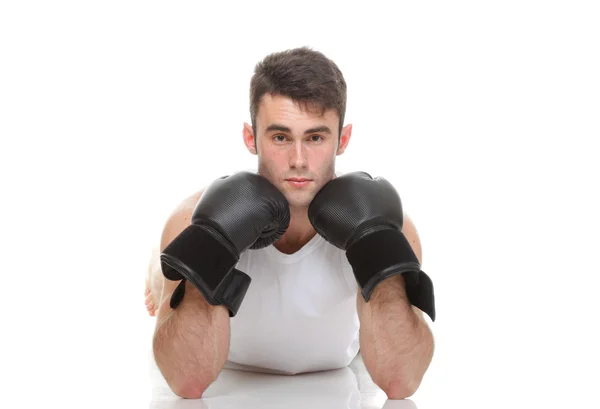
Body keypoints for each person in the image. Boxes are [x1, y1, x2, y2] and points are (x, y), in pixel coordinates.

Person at [144, 46, 436, 400]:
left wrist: (377, 253)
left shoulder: (389, 225)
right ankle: (160, 274)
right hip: (230, 370)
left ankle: (160, 276)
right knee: (173, 261)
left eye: (315, 137)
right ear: (250, 138)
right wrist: (210, 246)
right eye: (280, 137)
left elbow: (401, 382)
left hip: (346, 361)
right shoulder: (191, 222)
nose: (298, 160)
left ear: (342, 140)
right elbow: (187, 383)